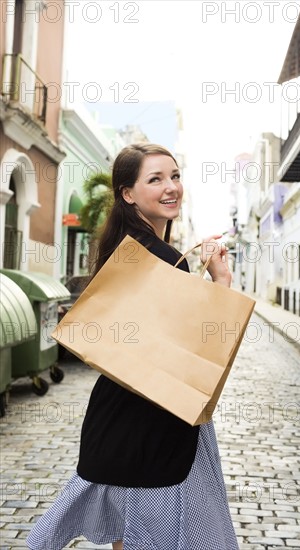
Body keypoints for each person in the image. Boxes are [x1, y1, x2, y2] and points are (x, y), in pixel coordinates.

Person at [27, 143, 239, 550]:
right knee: (152, 535)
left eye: (175, 176)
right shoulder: (155, 256)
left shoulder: (127, 247)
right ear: (128, 193)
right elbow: (201, 346)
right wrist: (221, 284)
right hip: (155, 421)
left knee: (132, 533)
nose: (171, 187)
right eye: (155, 179)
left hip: (126, 414)